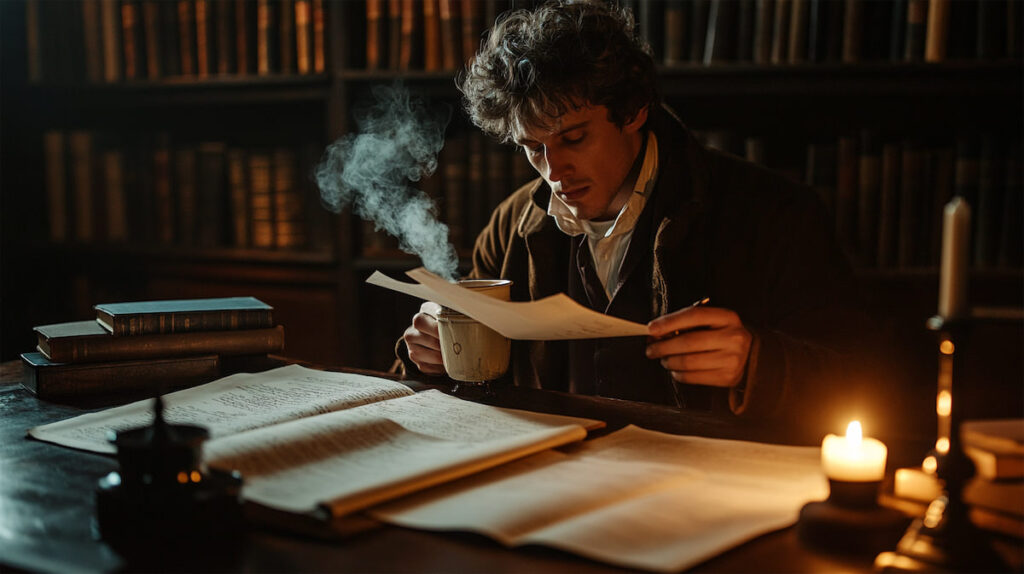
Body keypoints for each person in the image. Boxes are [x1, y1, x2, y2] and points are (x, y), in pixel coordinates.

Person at [398, 0, 876, 428]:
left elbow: (865, 378)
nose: (553, 171)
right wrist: (433, 354)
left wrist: (756, 364)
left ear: (634, 111)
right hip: (553, 485)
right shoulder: (511, 224)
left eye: (574, 138)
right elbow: (468, 391)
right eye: (532, 148)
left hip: (703, 491)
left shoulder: (774, 213)